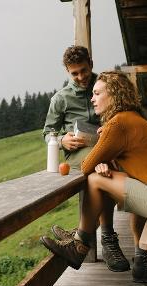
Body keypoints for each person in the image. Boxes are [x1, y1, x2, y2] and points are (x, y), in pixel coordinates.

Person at [41, 71, 147, 286]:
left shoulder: (118, 124)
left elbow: (85, 166)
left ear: (113, 94)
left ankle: (79, 244)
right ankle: (141, 263)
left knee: (94, 180)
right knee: (108, 176)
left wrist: (103, 146)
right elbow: (131, 165)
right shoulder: (131, 118)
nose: (92, 98)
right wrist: (107, 160)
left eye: (97, 93)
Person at [43, 46, 129, 272]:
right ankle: (108, 238)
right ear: (67, 72)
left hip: (108, 149)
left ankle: (80, 236)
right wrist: (62, 140)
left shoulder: (103, 87)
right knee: (100, 167)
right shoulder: (60, 99)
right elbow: (47, 133)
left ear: (91, 63)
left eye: (84, 70)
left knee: (105, 165)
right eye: (75, 73)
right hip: (78, 154)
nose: (81, 77)